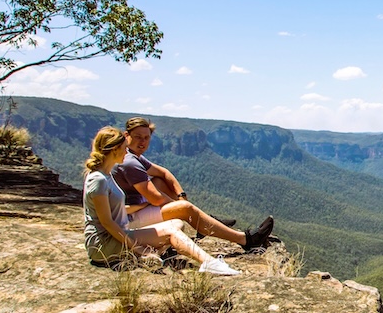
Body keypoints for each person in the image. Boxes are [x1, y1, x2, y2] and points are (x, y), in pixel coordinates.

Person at [82, 126, 240, 275]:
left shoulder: (107, 175)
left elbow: (113, 209)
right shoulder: (98, 179)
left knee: (177, 224)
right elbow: (107, 223)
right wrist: (138, 249)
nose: (126, 151)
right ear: (114, 149)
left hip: (117, 236)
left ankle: (153, 254)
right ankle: (209, 263)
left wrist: (140, 206)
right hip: (103, 244)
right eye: (124, 148)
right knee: (171, 232)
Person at [113, 117, 273, 251]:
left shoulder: (133, 155)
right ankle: (246, 239)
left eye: (146, 137)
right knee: (185, 209)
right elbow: (156, 199)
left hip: (131, 210)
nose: (142, 142)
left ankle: (204, 222)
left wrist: (181, 196)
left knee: (160, 182)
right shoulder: (130, 162)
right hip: (126, 219)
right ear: (126, 135)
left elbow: (164, 173)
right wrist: (182, 207)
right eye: (138, 137)